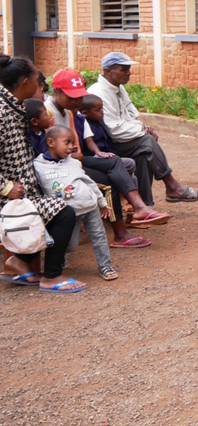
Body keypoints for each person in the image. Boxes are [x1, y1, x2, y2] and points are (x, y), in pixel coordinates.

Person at [48, 70, 170, 240]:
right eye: (71, 97)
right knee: (108, 181)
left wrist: (76, 154)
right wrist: (73, 154)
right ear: (56, 92)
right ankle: (121, 233)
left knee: (114, 162)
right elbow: (51, 151)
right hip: (56, 169)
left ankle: (139, 208)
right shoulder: (48, 113)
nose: (76, 101)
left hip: (72, 162)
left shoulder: (68, 112)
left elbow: (76, 150)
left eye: (79, 97)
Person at [0, 56, 83, 292]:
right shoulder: (2, 112)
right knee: (64, 213)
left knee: (58, 201)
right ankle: (51, 276)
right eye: (38, 82)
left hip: (24, 193)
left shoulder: (13, 107)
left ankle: (19, 262)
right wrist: (5, 187)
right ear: (25, 82)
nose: (42, 87)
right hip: (9, 198)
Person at [89, 51, 198, 204]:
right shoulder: (98, 92)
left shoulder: (117, 87)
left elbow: (131, 114)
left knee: (143, 154)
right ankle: (171, 185)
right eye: (123, 69)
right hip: (104, 146)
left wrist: (142, 128)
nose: (128, 73)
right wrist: (142, 132)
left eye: (128, 69)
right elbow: (114, 130)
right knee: (147, 142)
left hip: (120, 141)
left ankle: (144, 206)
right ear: (108, 70)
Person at [34, 126, 118, 281]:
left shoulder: (73, 163)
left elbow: (89, 183)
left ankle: (105, 265)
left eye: (72, 142)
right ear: (51, 142)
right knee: (70, 244)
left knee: (99, 237)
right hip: (69, 213)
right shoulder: (38, 166)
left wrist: (101, 202)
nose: (71, 146)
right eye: (67, 142)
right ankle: (60, 257)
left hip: (89, 206)